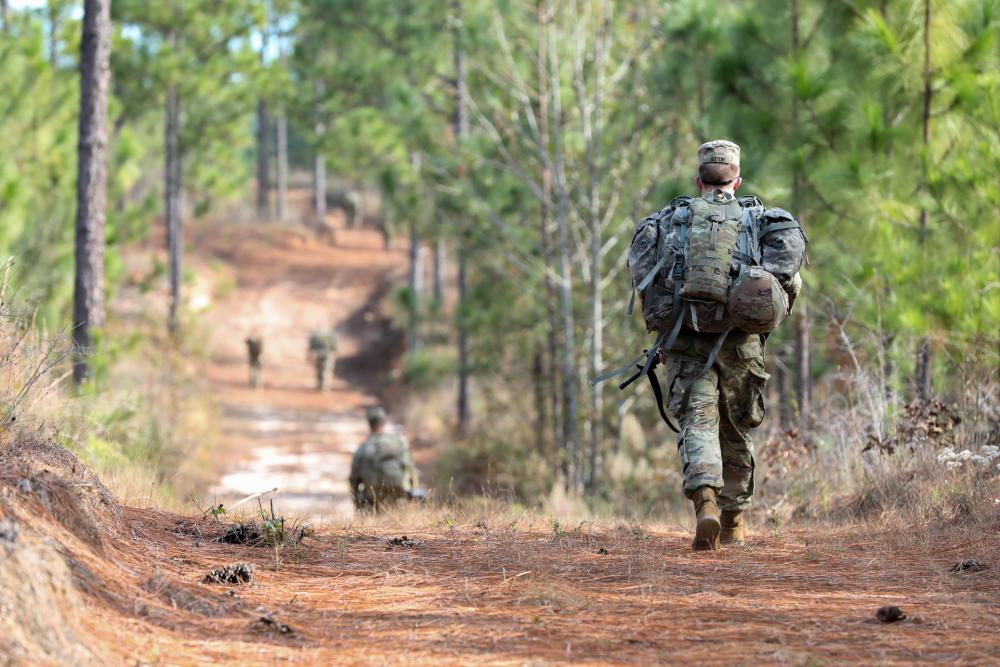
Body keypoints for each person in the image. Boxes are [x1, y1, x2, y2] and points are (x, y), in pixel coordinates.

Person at [624, 140, 806, 550]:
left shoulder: (668, 220)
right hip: (741, 345)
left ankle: (704, 499)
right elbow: (787, 285)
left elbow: (642, 278)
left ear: (698, 180)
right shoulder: (761, 221)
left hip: (684, 339)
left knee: (697, 421)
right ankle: (733, 520)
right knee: (736, 429)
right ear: (737, 181)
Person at [349, 406, 419, 512]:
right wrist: (412, 492)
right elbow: (411, 469)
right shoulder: (399, 443)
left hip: (372, 501)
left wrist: (357, 503)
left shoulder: (363, 448)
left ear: (369, 424)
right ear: (384, 423)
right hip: (399, 498)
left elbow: (354, 479)